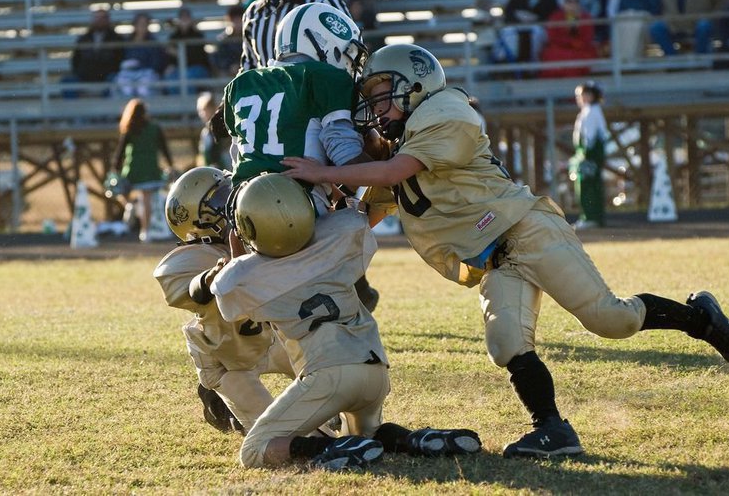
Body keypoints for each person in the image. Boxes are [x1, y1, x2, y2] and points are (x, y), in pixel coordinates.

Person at [282, 43, 729, 458]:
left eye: (383, 92)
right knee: (506, 342)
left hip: (527, 230)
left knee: (612, 320)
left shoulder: (445, 111)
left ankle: (701, 318)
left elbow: (390, 173)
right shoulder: (411, 137)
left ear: (415, 81)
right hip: (496, 255)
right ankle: (552, 430)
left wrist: (320, 173)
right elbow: (371, 205)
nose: (377, 106)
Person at [211, 172, 481, 469]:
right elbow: (350, 216)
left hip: (327, 374)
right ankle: (415, 439)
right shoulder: (342, 232)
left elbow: (229, 303)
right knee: (369, 436)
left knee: (254, 450)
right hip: (374, 369)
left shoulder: (241, 278)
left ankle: (329, 447)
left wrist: (236, 250)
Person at [224, 2, 379, 311]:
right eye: (346, 53)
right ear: (323, 42)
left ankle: (239, 275)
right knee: (354, 222)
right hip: (295, 208)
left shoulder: (240, 84)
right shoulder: (325, 77)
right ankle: (344, 293)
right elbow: (344, 153)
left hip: (242, 212)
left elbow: (239, 155)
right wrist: (389, 167)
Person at [154, 167, 301, 433]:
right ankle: (224, 407)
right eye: (220, 201)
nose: (231, 204)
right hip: (227, 361)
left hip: (273, 340)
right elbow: (187, 290)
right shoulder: (193, 257)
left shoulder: (256, 235)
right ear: (196, 221)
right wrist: (214, 276)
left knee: (332, 393)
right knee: (278, 432)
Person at [239, 0, 352, 72]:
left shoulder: (326, 4)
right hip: (268, 91)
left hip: (318, 90)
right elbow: (248, 70)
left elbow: (351, 58)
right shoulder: (253, 13)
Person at [112, 98, 175, 243]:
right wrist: (170, 163)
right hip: (150, 168)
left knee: (122, 192)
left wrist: (115, 167)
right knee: (145, 199)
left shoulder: (129, 129)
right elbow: (164, 147)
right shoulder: (155, 128)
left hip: (133, 168)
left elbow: (120, 151)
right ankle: (144, 230)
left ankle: (132, 208)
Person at [494, 0, 557, 69]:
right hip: (517, 26)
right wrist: (519, 17)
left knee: (536, 33)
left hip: (538, 28)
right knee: (507, 33)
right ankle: (507, 64)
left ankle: (531, 67)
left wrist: (535, 19)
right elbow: (508, 12)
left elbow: (552, 17)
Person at [570, 81, 609, 229]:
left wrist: (585, 155)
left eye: (583, 95)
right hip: (587, 153)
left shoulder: (592, 111)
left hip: (589, 155)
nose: (580, 98)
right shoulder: (588, 110)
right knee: (588, 185)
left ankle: (590, 217)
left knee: (588, 186)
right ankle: (589, 216)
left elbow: (590, 137)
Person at [63, 9, 125, 99]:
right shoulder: (83, 39)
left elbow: (119, 60)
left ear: (108, 20)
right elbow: (75, 60)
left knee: (115, 79)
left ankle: (107, 112)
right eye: (97, 18)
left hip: (106, 77)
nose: (99, 21)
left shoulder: (117, 38)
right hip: (85, 77)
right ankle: (74, 111)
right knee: (67, 81)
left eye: (102, 18)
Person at [539, 0, 598, 78]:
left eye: (575, 1)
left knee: (580, 56)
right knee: (554, 55)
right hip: (560, 48)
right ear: (564, 3)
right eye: (569, 1)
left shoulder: (585, 17)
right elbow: (552, 36)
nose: (572, 4)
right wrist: (569, 41)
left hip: (580, 49)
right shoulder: (555, 17)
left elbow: (588, 37)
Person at [115, 12, 168, 97]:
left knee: (144, 88)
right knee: (123, 86)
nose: (142, 27)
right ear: (135, 25)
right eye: (140, 24)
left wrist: (141, 66)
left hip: (146, 73)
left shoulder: (153, 42)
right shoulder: (126, 42)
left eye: (144, 24)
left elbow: (157, 63)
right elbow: (120, 60)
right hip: (128, 74)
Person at [164, 7, 212, 95]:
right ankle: (176, 105)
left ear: (191, 20)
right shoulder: (174, 37)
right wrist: (170, 65)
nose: (184, 21)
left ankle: (190, 106)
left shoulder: (198, 36)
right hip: (179, 69)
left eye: (186, 18)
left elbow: (198, 58)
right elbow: (169, 57)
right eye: (182, 18)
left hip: (197, 68)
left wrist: (178, 53)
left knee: (188, 77)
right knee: (171, 78)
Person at [196, 92, 231, 169]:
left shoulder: (224, 127)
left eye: (205, 110)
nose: (202, 114)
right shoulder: (205, 132)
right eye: (200, 111)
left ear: (214, 108)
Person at [211, 4, 245, 77]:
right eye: (234, 19)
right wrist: (230, 66)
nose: (237, 22)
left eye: (239, 18)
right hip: (228, 71)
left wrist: (240, 65)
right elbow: (219, 58)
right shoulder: (223, 38)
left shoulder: (250, 36)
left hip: (247, 69)